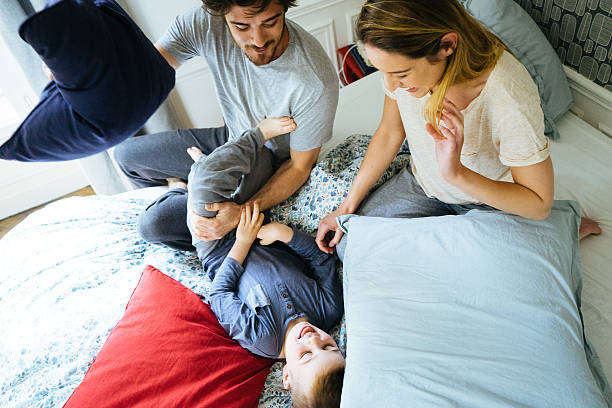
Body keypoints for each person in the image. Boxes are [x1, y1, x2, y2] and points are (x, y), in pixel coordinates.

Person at [316, 0, 601, 258]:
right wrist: (347, 206)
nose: (390, 87)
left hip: (490, 201)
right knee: (350, 245)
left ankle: (562, 226)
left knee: (491, 277)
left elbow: (538, 204)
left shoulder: (507, 93)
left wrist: (456, 173)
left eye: (401, 74)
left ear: (446, 45)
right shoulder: (398, 68)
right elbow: (391, 131)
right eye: (383, 72)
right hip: (424, 187)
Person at [113, 0, 339, 251]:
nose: (259, 40)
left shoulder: (313, 79)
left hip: (267, 168)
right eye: (242, 26)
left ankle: (194, 200)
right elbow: (148, 74)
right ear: (220, 14)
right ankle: (188, 191)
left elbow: (299, 167)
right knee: (126, 157)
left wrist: (240, 213)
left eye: (270, 22)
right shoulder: (204, 23)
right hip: (231, 139)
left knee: (152, 225)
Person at [186, 117, 345, 407]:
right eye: (328, 346)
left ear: (286, 376)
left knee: (203, 192)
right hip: (261, 225)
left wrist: (242, 242)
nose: (313, 339)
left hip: (221, 248)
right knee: (259, 161)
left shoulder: (262, 338)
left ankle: (199, 174)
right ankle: (200, 176)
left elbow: (220, 294)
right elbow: (323, 261)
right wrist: (285, 235)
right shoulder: (329, 309)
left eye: (306, 355)